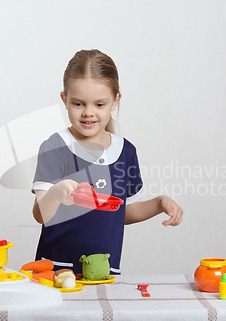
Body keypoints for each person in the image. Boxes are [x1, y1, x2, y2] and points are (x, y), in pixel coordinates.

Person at [32, 49, 183, 275]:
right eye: (78, 104)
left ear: (115, 101)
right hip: (56, 270)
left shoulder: (126, 152)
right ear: (64, 100)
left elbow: (121, 211)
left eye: (99, 105)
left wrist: (159, 203)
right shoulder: (55, 147)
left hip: (103, 272)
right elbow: (40, 214)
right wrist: (56, 193)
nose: (88, 113)